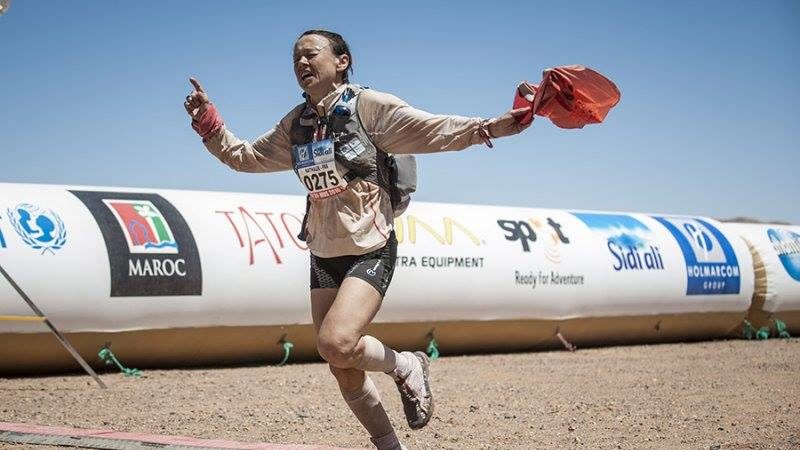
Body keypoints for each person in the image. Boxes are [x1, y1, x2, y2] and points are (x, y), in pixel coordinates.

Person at [185, 29, 531, 450]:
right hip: (323, 251)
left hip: (370, 245)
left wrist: (498, 125)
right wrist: (209, 123)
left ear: (342, 61)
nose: (301, 63)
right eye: (295, 58)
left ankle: (405, 365)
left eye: (311, 54)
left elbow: (435, 130)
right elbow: (246, 158)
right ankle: (389, 444)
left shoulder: (369, 107)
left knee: (337, 341)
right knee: (341, 364)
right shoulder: (296, 124)